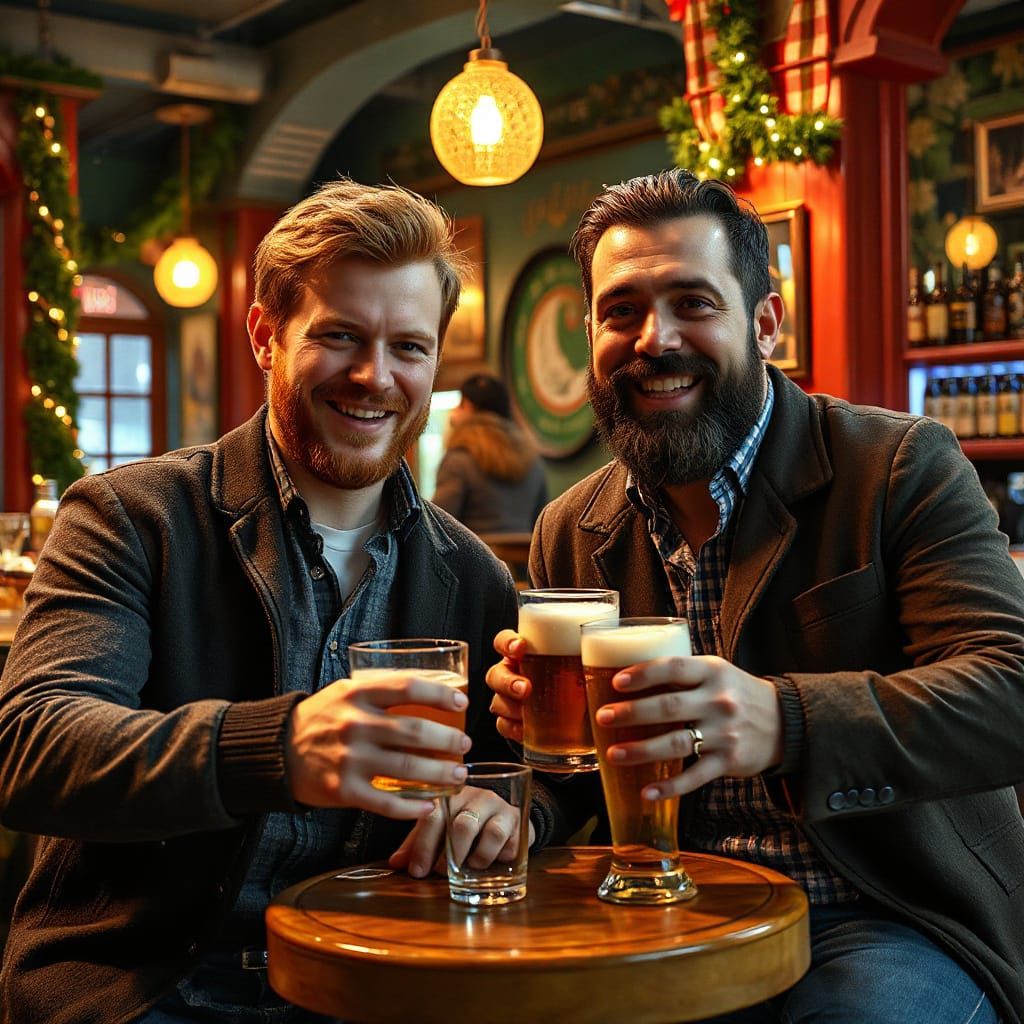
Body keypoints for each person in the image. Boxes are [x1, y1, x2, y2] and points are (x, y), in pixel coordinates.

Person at [0, 179, 564, 1024]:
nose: (376, 377)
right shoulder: (130, 516)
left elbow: (526, 780)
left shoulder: (473, 576)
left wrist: (512, 815)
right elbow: (32, 748)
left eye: (409, 347)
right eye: (340, 336)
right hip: (144, 985)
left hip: (372, 983)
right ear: (266, 334)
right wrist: (277, 747)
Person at [486, 169, 1024, 1024]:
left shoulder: (895, 466)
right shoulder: (572, 525)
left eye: (693, 303)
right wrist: (527, 792)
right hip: (671, 907)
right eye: (621, 311)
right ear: (590, 332)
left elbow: (1009, 695)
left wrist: (785, 721)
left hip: (886, 913)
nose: (654, 339)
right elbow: (588, 776)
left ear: (764, 324)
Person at [432, 372, 548, 534]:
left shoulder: (458, 460)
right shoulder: (533, 462)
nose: (455, 412)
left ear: (468, 407)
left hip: (474, 557)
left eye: (460, 405)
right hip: (524, 557)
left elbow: (437, 527)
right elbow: (543, 524)